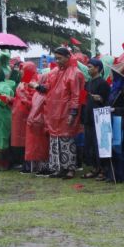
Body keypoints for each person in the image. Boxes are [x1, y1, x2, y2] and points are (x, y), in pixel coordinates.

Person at [39, 46, 83, 179]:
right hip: (54, 112)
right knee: (55, 141)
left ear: (68, 57)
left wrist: (73, 113)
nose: (57, 61)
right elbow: (47, 88)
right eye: (56, 58)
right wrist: (37, 86)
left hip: (66, 113)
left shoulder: (75, 73)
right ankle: (58, 168)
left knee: (66, 141)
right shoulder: (54, 72)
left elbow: (76, 96)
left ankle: (70, 169)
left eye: (60, 58)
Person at [82, 58, 110, 179]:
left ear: (97, 68)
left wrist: (101, 99)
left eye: (90, 67)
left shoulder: (103, 83)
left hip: (99, 119)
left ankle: (103, 170)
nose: (88, 69)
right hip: (88, 117)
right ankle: (95, 168)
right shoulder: (88, 83)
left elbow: (108, 101)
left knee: (100, 145)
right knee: (90, 145)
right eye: (87, 67)